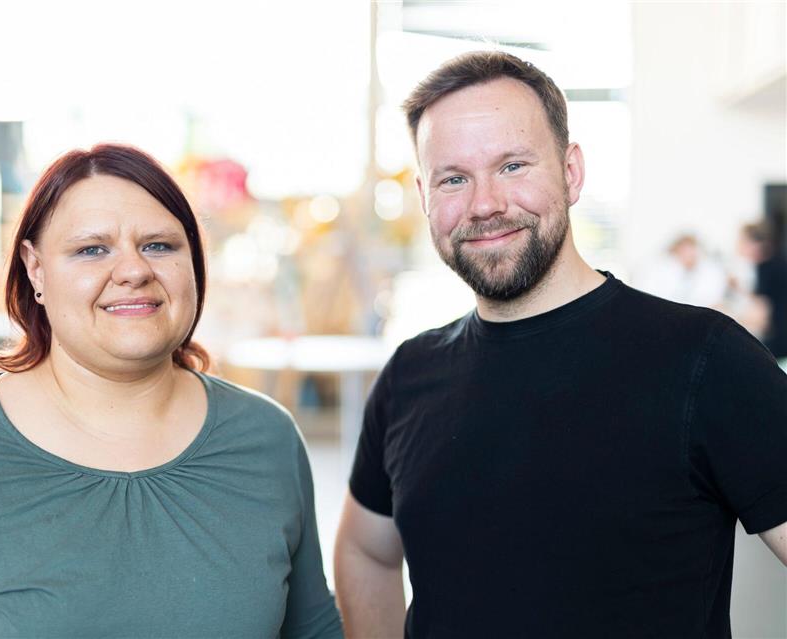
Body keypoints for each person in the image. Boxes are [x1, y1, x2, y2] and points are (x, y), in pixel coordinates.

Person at [334, 51, 787, 638]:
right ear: (425, 196)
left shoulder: (704, 357)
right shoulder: (410, 373)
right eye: (453, 179)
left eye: (513, 165)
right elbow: (366, 550)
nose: (485, 204)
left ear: (571, 172)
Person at [0, 144, 343, 638]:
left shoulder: (266, 439)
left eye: (159, 245)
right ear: (35, 269)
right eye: (91, 249)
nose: (133, 271)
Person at [735, 222, 787, 361]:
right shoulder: (774, 262)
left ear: (755, 244)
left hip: (780, 339)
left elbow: (762, 316)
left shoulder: (769, 267)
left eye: (742, 241)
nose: (739, 247)